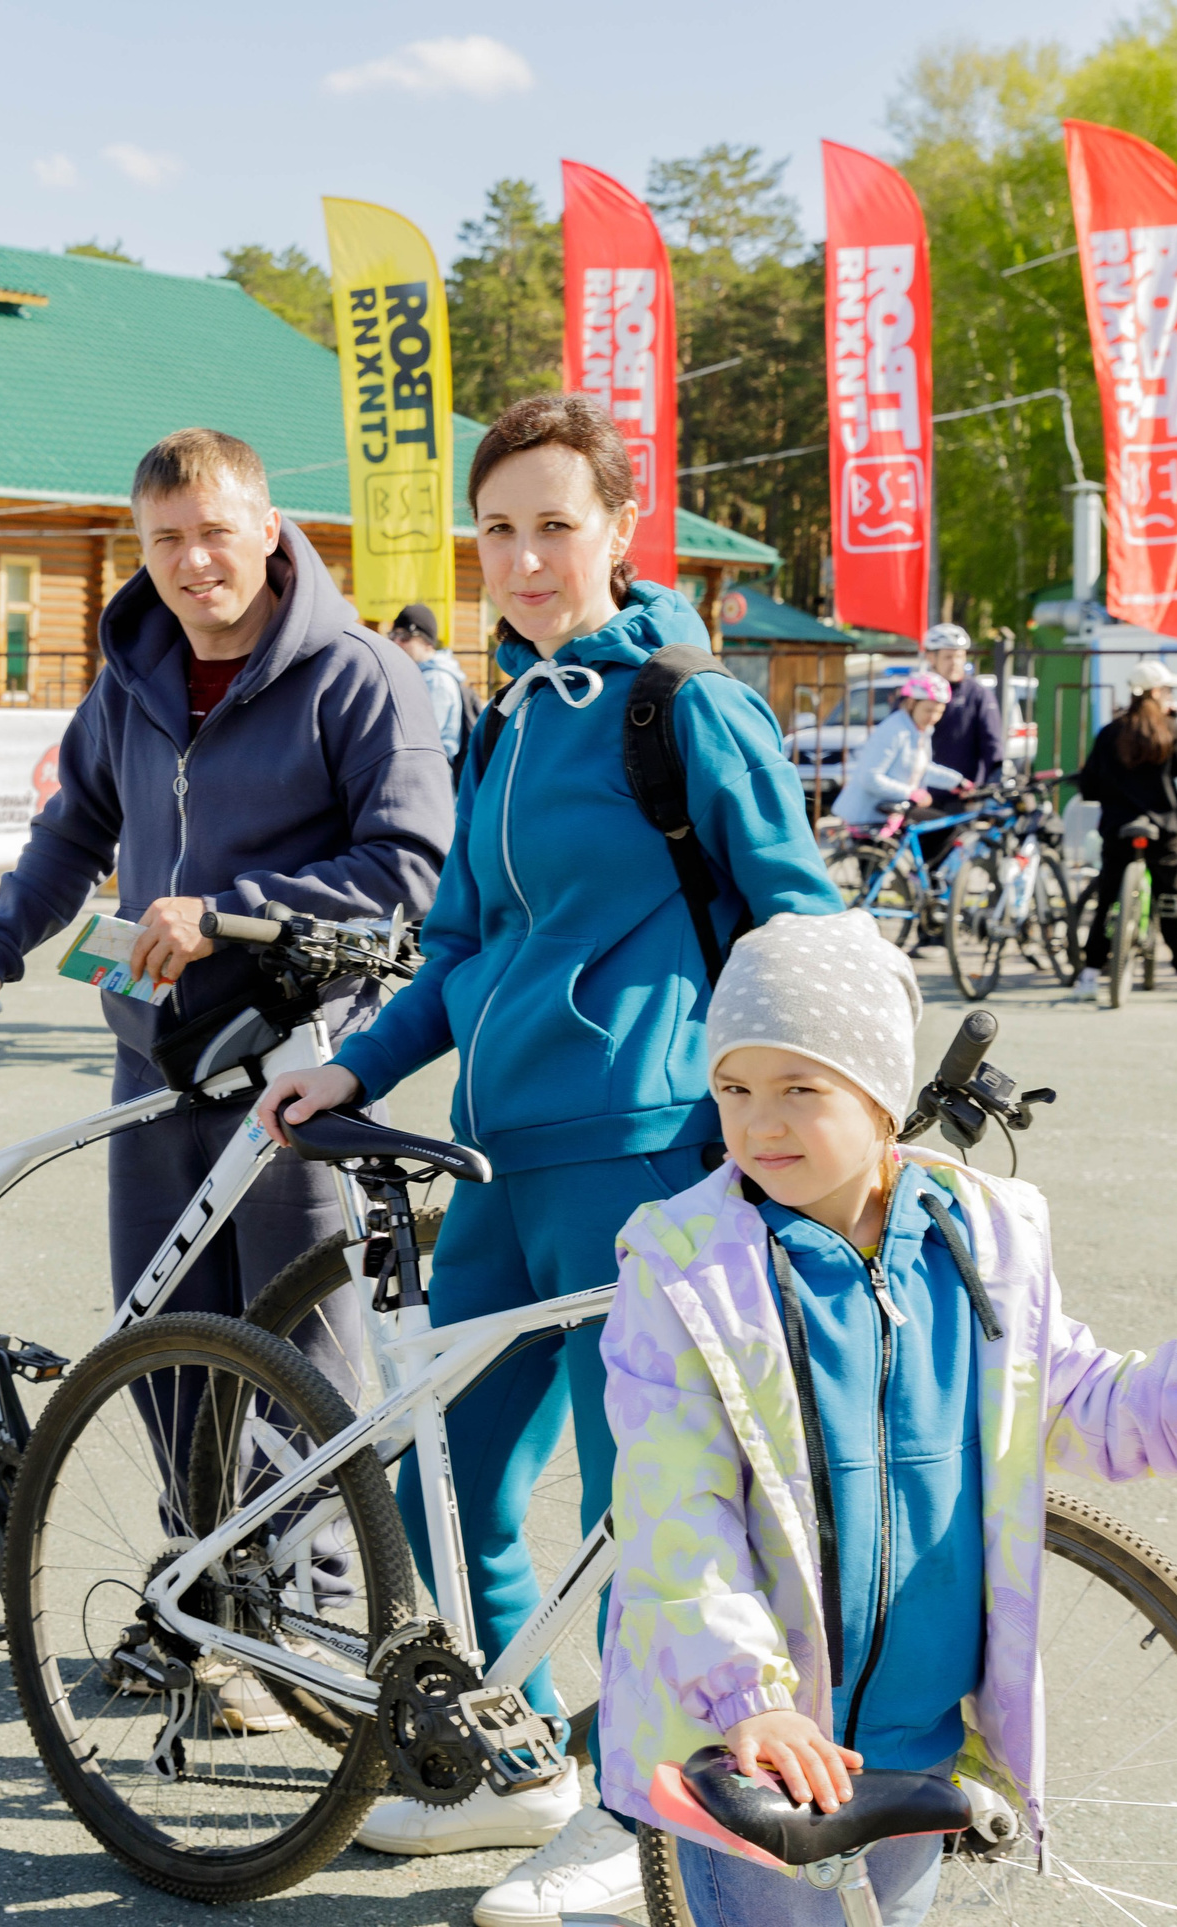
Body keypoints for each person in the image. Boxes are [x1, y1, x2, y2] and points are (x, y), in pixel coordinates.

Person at [254, 392, 842, 1927]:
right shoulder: (509, 710)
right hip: (502, 1165)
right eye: (498, 527)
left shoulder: (681, 698)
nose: (521, 556)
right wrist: (353, 1063)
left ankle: (630, 1799)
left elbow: (799, 915)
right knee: (440, 1472)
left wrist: (826, 1123)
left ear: (620, 530)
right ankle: (525, 1761)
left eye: (553, 525)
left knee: (642, 1503)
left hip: (645, 1152)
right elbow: (461, 945)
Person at [598, 910, 1177, 1926]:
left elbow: (1069, 1389)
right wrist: (746, 1697)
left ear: (880, 1097)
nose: (757, 1123)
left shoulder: (977, 1239)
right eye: (734, 1088)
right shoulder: (687, 1272)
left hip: (917, 1741)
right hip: (755, 1748)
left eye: (798, 1089)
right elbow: (669, 1516)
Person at [0, 427, 452, 1724]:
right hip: (153, 1062)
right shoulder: (133, 676)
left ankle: (308, 1633)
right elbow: (72, 830)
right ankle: (212, 1602)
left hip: (295, 1061)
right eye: (164, 540)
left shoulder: (358, 677)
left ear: (269, 526)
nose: (192, 561)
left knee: (298, 1350)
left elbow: (410, 867)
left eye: (214, 531)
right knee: (165, 1348)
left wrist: (234, 909)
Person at [1069, 660, 1177, 1003]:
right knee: (1172, 899)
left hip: (1119, 827)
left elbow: (1090, 786)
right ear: (1159, 693)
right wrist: (1173, 720)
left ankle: (1089, 975)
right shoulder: (1169, 730)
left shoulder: (1111, 731)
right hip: (1165, 827)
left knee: (1107, 899)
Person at [829, 670, 965, 829]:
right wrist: (911, 793)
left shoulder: (918, 730)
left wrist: (957, 781)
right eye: (928, 710)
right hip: (868, 816)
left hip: (891, 813)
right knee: (948, 831)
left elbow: (919, 768)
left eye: (939, 712)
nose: (933, 717)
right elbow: (870, 777)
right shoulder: (894, 731)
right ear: (911, 704)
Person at [918, 622, 1004, 791]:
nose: (955, 663)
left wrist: (993, 781)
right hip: (920, 792)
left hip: (962, 794)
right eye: (948, 657)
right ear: (930, 657)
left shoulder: (978, 694)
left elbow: (992, 745)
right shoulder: (916, 694)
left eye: (960, 656)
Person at [393, 602, 476, 760]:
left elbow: (423, 739)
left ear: (427, 643)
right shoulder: (418, 674)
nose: (397, 642)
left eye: (404, 636)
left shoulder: (436, 679)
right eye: (393, 636)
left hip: (431, 770)